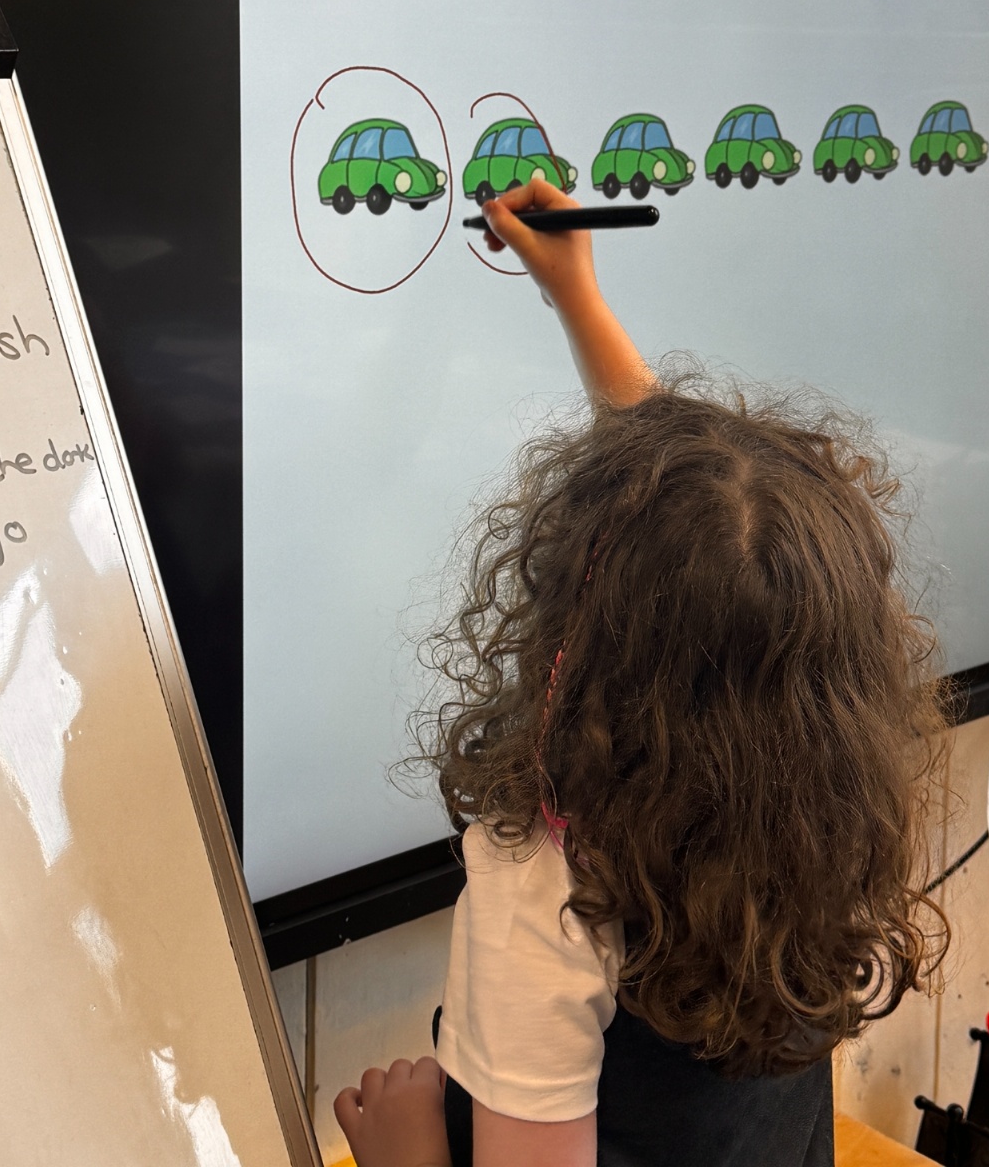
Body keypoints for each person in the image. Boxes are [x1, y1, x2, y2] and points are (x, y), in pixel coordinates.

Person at [334, 177, 949, 1167]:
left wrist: (405, 1149)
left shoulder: (547, 889)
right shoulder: (824, 804)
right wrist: (576, 296)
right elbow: (702, 532)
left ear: (578, 636)